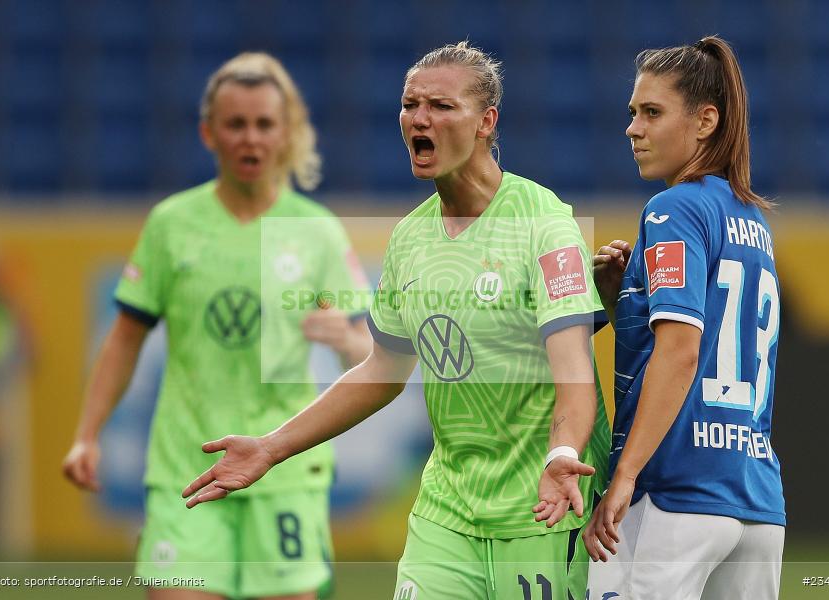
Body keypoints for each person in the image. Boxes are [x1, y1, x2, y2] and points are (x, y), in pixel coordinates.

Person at [182, 42, 611, 600]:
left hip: (542, 509)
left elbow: (574, 374)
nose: (419, 119)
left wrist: (562, 457)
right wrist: (271, 446)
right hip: (446, 513)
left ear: (487, 121)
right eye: (410, 105)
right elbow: (382, 370)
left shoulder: (544, 225)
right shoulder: (410, 237)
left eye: (440, 105)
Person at [62, 52, 373, 600]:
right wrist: (87, 434)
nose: (249, 138)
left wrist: (346, 338)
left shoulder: (316, 232)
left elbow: (370, 358)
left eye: (263, 124)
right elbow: (124, 339)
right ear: (209, 134)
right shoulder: (172, 225)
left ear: (285, 133)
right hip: (187, 473)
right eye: (235, 124)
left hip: (285, 473)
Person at [582, 36, 785, 599]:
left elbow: (682, 350)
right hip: (757, 500)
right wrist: (623, 297)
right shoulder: (753, 223)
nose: (633, 128)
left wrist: (623, 479)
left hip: (673, 493)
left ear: (705, 122)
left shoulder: (674, 207)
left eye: (652, 112)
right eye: (631, 113)